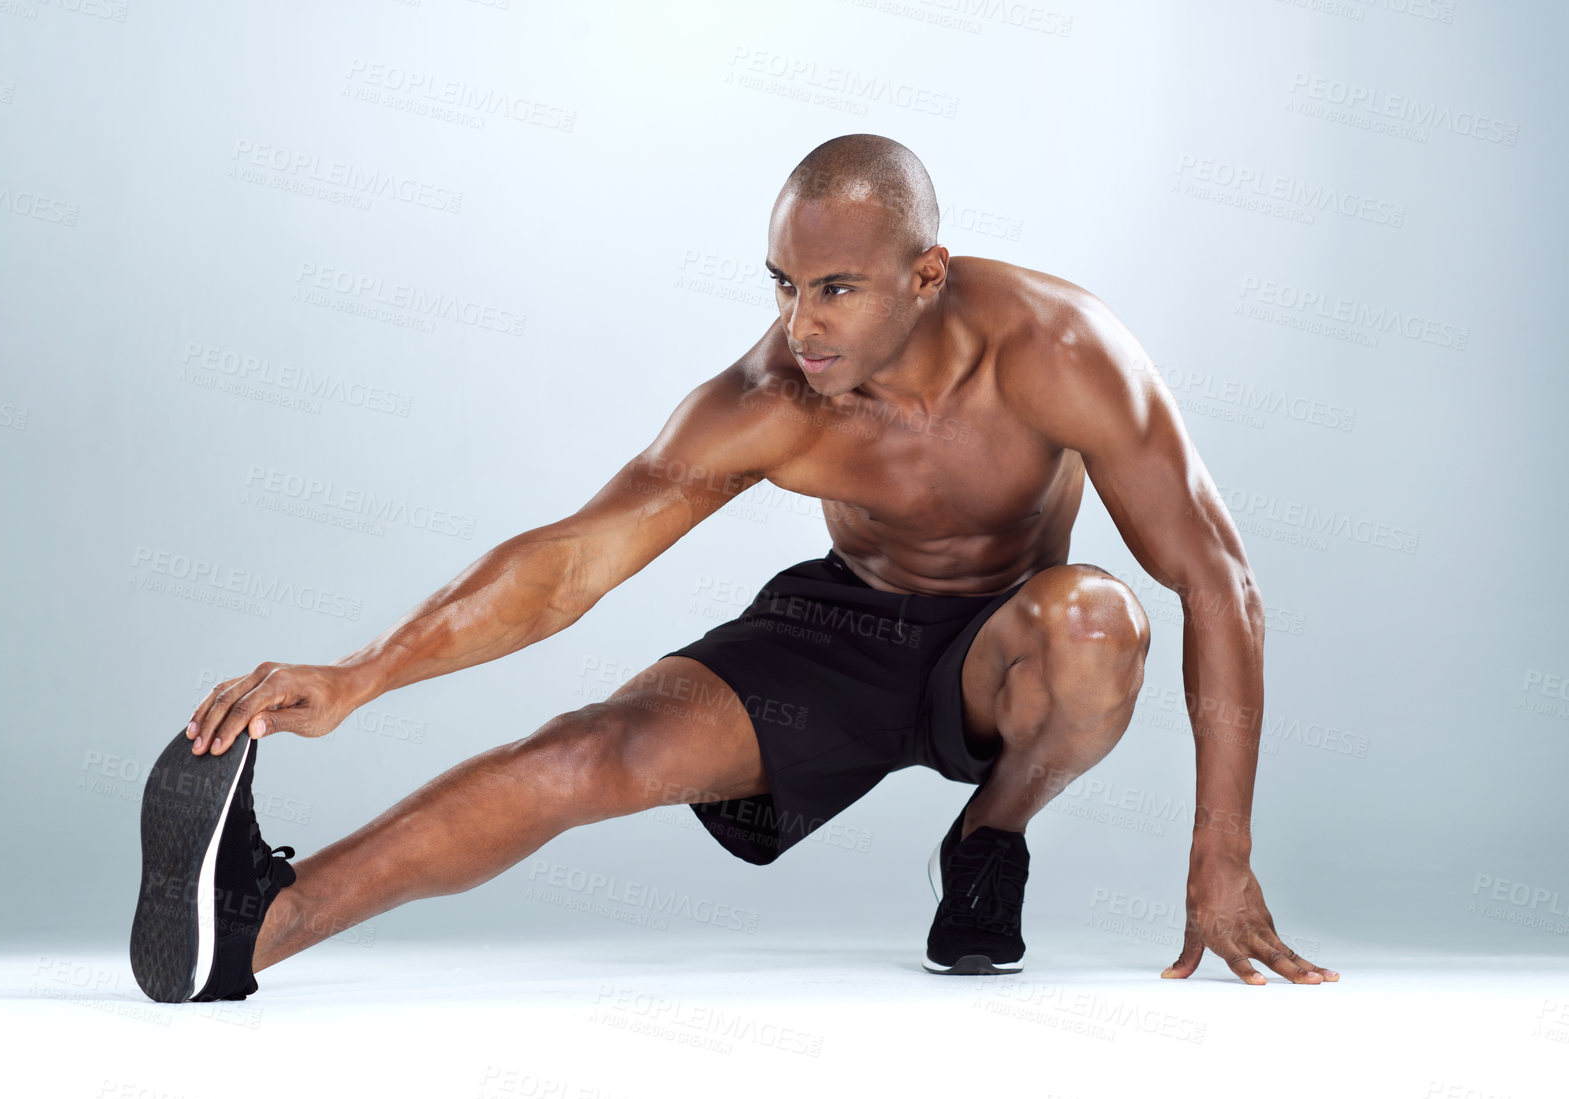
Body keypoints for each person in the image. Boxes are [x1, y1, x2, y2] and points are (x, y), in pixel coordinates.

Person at [129, 133, 1338, 1003]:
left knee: (1099, 620)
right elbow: (566, 565)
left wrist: (1220, 850)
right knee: (589, 752)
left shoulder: (1063, 351)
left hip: (1006, 644)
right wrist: (361, 675)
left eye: (836, 289)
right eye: (784, 284)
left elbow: (1218, 580)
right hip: (843, 634)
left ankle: (990, 837)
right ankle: (255, 929)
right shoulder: (772, 400)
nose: (801, 324)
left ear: (927, 275)